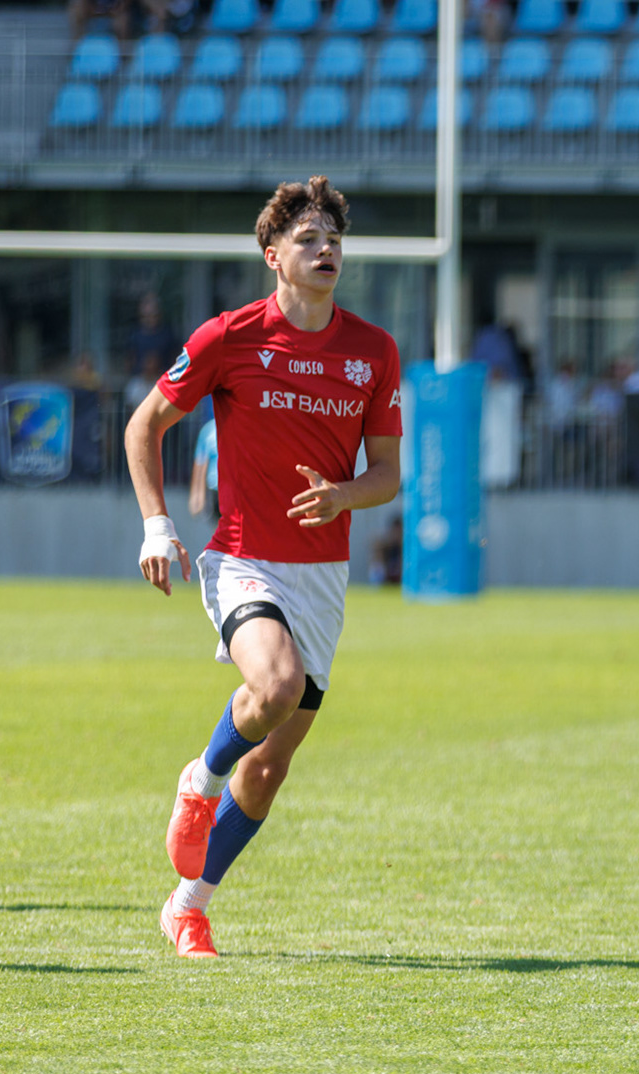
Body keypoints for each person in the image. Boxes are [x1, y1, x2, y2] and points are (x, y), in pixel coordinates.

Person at [125, 175, 403, 959]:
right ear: (273, 255)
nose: (326, 251)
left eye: (335, 241)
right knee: (274, 686)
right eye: (309, 240)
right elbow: (143, 425)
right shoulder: (228, 336)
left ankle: (187, 906)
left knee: (272, 767)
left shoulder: (372, 351)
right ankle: (200, 778)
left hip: (322, 580)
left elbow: (388, 475)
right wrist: (156, 524)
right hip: (243, 559)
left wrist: (345, 495)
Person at [187, 407, 217, 520]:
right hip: (214, 487)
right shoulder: (208, 430)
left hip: (234, 487)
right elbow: (200, 463)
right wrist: (196, 494)